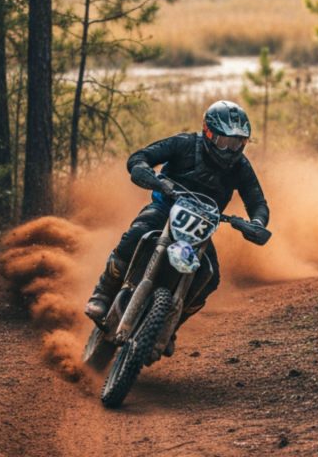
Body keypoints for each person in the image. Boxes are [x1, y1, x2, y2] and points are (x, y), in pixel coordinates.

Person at [83, 100, 270, 352]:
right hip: (165, 209)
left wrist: (256, 223)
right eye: (225, 142)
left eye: (238, 143)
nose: (231, 149)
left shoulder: (241, 166)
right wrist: (146, 172)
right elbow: (141, 156)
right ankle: (103, 292)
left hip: (202, 227)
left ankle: (170, 325)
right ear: (209, 133)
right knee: (137, 233)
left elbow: (257, 201)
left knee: (209, 276)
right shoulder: (183, 144)